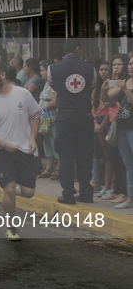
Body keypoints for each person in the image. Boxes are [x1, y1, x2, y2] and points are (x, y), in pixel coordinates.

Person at [0, 61, 42, 240]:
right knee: (11, 189)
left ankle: (7, 190)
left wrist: (32, 138)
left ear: (3, 75)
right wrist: (4, 145)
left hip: (24, 148)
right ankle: (11, 227)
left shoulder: (23, 93)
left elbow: (36, 115)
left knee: (28, 192)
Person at [48, 38, 97, 204]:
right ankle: (86, 193)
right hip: (85, 116)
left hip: (64, 116)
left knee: (66, 156)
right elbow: (91, 86)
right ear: (78, 48)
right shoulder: (90, 68)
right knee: (85, 155)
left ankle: (68, 193)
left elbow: (54, 87)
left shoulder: (52, 68)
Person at [101, 56, 133, 208]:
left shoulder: (126, 85)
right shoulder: (125, 82)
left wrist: (125, 89)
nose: (131, 67)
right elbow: (107, 99)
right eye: (131, 64)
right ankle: (129, 196)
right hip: (122, 126)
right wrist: (104, 88)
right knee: (127, 164)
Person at [92, 61, 114, 194]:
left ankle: (109, 185)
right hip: (97, 122)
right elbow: (93, 106)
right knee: (101, 154)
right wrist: (96, 123)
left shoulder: (112, 85)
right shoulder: (97, 87)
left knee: (109, 154)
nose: (103, 72)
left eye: (106, 69)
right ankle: (104, 185)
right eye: (101, 69)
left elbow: (110, 106)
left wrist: (103, 124)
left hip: (108, 121)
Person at [37, 60, 60, 180]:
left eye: (42, 70)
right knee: (47, 143)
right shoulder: (45, 84)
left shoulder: (54, 85)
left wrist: (41, 108)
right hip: (44, 120)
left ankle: (58, 169)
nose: (41, 73)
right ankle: (48, 168)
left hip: (52, 118)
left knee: (55, 142)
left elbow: (54, 102)